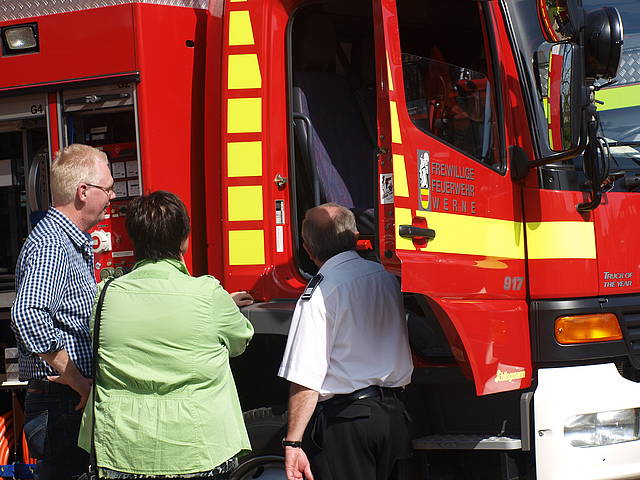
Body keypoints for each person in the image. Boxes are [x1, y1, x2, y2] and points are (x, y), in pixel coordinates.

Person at [78, 191, 254, 480]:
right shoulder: (209, 294)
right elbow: (239, 341)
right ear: (184, 239)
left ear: (134, 239)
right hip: (197, 448)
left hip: (121, 450)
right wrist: (222, 303)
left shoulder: (105, 294)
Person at [278, 203, 414, 480]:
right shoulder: (387, 277)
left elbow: (306, 378)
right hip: (393, 415)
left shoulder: (321, 291)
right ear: (356, 237)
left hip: (348, 423)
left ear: (308, 250)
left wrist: (293, 443)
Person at [11, 144, 116, 480]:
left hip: (64, 403)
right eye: (107, 188)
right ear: (83, 192)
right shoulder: (52, 244)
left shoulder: (68, 241)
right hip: (62, 403)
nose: (112, 196)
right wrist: (76, 379)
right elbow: (28, 314)